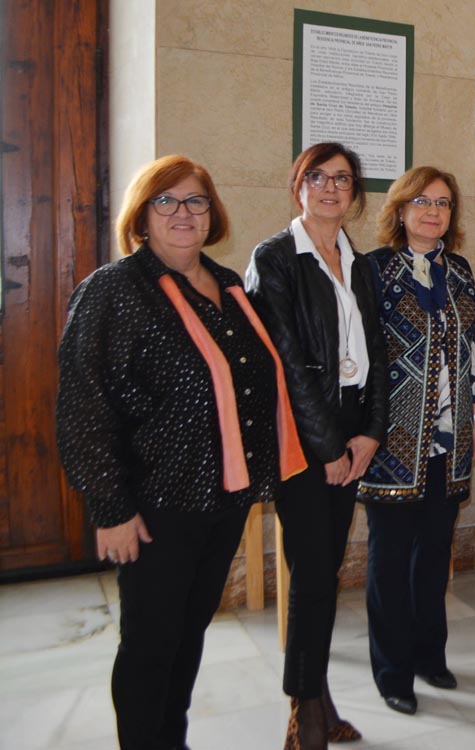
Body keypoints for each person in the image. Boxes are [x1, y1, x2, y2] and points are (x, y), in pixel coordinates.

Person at [57, 155, 305, 750]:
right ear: (142, 216)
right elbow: (84, 407)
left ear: (212, 212)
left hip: (221, 499)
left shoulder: (226, 286)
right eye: (165, 201)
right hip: (154, 505)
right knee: (149, 644)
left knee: (189, 633)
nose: (182, 213)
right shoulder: (114, 290)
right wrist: (111, 509)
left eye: (195, 201)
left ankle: (172, 739)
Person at [245, 142, 388, 750]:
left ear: (354, 195)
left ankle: (318, 693)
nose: (332, 189)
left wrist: (370, 434)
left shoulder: (360, 262)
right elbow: (283, 365)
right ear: (298, 185)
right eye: (319, 177)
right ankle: (304, 707)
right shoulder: (275, 258)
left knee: (325, 569)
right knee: (309, 571)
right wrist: (327, 445)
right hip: (302, 432)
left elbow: (379, 357)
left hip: (352, 426)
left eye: (343, 180)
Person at [356, 167, 475, 716]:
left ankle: (431, 656)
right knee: (389, 560)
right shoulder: (374, 270)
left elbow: (472, 348)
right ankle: (393, 672)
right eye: (422, 203)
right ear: (401, 210)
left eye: (443, 204)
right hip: (390, 442)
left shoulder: (457, 271)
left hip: (449, 443)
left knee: (434, 554)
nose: (433, 213)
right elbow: (358, 355)